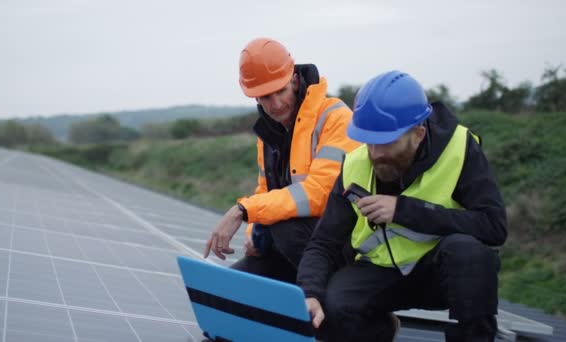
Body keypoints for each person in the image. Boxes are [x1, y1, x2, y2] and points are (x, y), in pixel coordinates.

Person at [297, 70, 508, 341]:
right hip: (380, 274)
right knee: (334, 305)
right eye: (369, 142)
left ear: (419, 133)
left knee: (470, 254)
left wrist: (403, 210)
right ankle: (381, 331)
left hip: (440, 275)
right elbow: (323, 242)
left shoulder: (459, 149)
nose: (376, 154)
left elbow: (493, 226)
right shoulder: (355, 163)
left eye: (387, 143)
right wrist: (310, 293)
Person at [203, 38, 359, 283]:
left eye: (281, 91)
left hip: (340, 247)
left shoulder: (336, 118)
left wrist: (243, 211)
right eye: (265, 97)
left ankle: (342, 303)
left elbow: (320, 194)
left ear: (295, 81)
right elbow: (265, 190)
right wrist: (253, 231)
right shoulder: (268, 135)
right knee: (229, 288)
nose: (276, 105)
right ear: (254, 98)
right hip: (293, 244)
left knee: (284, 227)